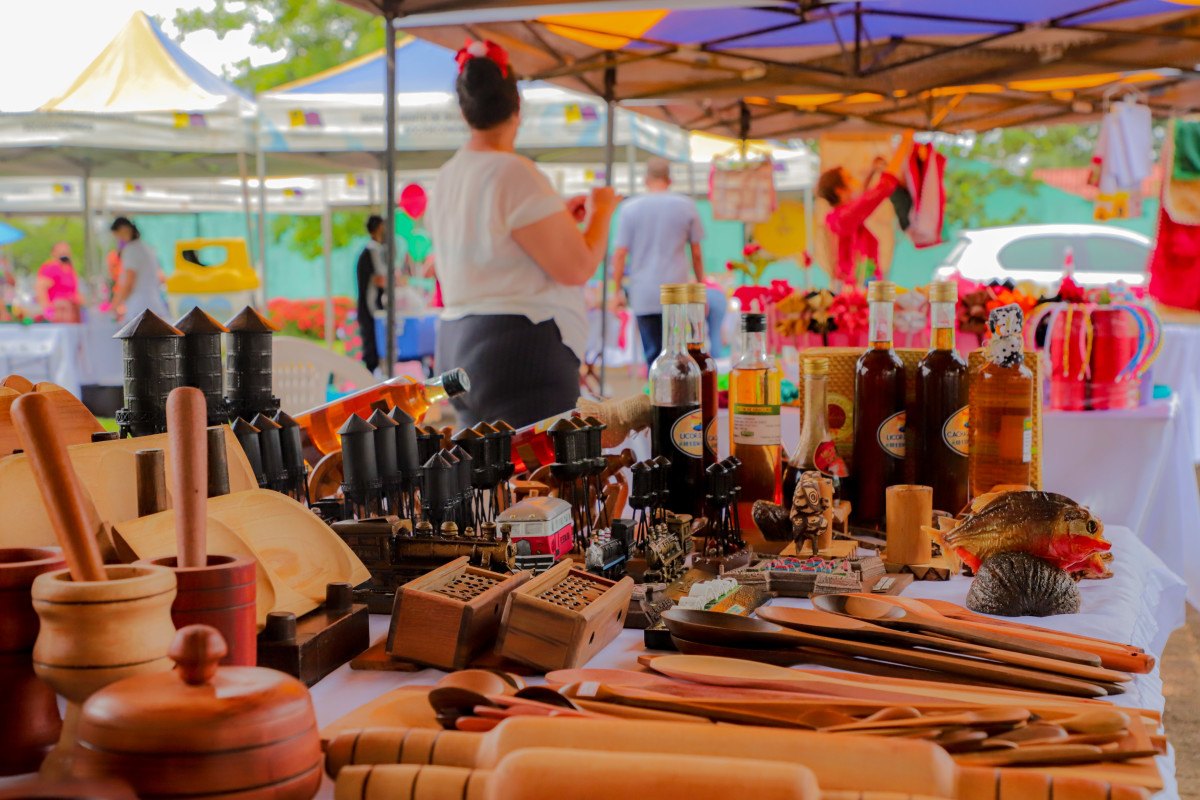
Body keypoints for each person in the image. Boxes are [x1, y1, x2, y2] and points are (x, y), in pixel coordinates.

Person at [429, 39, 616, 428]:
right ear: (518, 105)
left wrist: (560, 219)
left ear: (464, 111)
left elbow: (490, 249)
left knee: (480, 485)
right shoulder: (513, 171)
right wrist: (601, 213)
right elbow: (577, 267)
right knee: (538, 484)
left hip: (456, 345)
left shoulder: (448, 175)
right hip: (520, 350)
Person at [609, 157, 705, 367]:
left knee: (653, 356)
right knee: (679, 356)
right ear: (670, 180)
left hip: (644, 292)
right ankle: (677, 398)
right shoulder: (686, 205)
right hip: (676, 293)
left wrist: (616, 291)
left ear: (645, 180)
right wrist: (701, 289)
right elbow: (696, 254)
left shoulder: (629, 208)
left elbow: (619, 254)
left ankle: (656, 398)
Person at [817, 130, 913, 289]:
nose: (855, 180)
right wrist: (905, 143)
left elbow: (862, 198)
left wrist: (872, 171)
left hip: (855, 288)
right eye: (849, 178)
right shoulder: (844, 218)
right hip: (857, 293)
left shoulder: (837, 217)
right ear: (840, 191)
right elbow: (883, 187)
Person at [109, 217, 168, 321]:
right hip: (155, 306)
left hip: (140, 310)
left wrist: (115, 304)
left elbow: (129, 283)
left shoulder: (131, 250)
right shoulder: (147, 248)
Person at [356, 215, 387, 374]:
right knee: (373, 350)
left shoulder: (372, 250)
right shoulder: (373, 250)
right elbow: (381, 278)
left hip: (370, 308)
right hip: (371, 309)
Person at [35, 242, 82, 322]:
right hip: (59, 312)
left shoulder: (70, 270)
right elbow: (40, 288)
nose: (64, 254)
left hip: (71, 312)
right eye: (61, 251)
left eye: (66, 251)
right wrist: (48, 311)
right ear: (54, 253)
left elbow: (75, 292)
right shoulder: (51, 268)